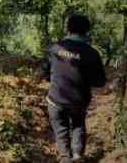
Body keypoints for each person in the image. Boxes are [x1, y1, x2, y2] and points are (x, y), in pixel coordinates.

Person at [41, 14, 106, 163]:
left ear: (67, 28)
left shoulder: (55, 48)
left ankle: (65, 157)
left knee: (60, 129)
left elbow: (45, 73)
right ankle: (77, 155)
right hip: (79, 101)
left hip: (56, 100)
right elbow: (100, 82)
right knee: (78, 125)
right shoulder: (92, 53)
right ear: (87, 31)